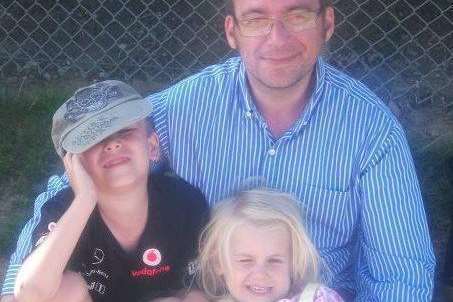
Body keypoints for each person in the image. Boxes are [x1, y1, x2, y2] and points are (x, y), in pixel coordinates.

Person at [1, 0, 435, 301]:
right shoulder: (187, 106)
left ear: (327, 24)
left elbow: (400, 273)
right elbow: (85, 173)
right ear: (232, 31)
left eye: (298, 15)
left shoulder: (370, 129)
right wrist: (19, 286)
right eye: (256, 18)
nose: (277, 37)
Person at [12, 80, 209, 302]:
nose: (112, 144)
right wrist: (84, 199)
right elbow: (30, 293)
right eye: (94, 139)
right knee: (67, 290)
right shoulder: (66, 209)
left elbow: (203, 288)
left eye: (125, 131)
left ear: (152, 146)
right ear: (74, 164)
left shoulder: (182, 202)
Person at [198, 188, 344, 302]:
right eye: (245, 261)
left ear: (294, 262)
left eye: (274, 261)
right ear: (219, 263)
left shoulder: (316, 298)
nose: (260, 273)